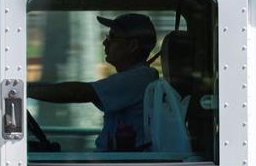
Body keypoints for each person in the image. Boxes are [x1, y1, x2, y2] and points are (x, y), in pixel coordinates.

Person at [28, 12, 159, 152]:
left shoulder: (139, 78)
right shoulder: (136, 77)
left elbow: (77, 93)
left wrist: (26, 90)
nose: (105, 42)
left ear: (133, 45)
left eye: (113, 37)